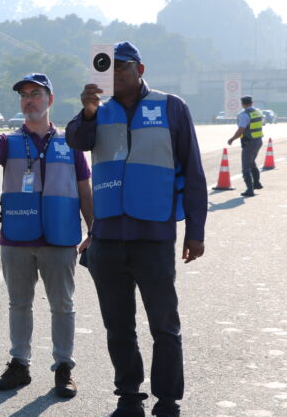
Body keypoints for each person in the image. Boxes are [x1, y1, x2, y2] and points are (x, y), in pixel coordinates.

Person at [66, 41, 207, 417]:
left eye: (121, 67)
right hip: (108, 239)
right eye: (106, 68)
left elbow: (194, 171)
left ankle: (167, 401)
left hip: (154, 238)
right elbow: (76, 140)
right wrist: (88, 111)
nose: (113, 75)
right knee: (118, 327)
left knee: (164, 325)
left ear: (139, 70)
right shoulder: (98, 112)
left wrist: (196, 231)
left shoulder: (171, 107)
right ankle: (129, 396)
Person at [0, 73, 93, 398]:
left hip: (60, 236)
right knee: (19, 304)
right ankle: (20, 364)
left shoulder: (70, 141)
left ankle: (64, 368)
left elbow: (84, 187)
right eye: (24, 95)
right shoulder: (8, 140)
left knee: (63, 305)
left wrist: (94, 229)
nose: (28, 100)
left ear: (50, 99)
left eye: (35, 94)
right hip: (17, 236)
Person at [227, 96, 263, 197]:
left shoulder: (244, 115)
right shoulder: (258, 112)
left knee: (245, 167)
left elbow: (241, 130)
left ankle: (250, 190)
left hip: (249, 142)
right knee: (252, 162)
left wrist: (232, 139)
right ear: (252, 102)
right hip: (258, 140)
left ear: (242, 104)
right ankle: (257, 183)